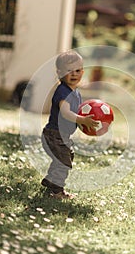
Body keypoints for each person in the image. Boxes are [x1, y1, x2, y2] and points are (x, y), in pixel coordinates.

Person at [41, 50, 98, 199]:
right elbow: (66, 112)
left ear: (83, 72)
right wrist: (82, 120)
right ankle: (56, 191)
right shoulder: (63, 91)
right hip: (54, 134)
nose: (74, 74)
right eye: (69, 71)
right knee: (63, 162)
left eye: (77, 70)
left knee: (65, 157)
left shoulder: (75, 91)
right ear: (59, 73)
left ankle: (50, 181)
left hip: (61, 135)